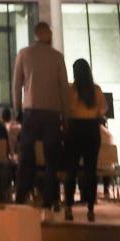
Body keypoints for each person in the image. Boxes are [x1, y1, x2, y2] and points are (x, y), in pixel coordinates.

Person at [12, 19, 70, 213]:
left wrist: (16, 110)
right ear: (49, 35)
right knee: (51, 158)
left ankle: (21, 195)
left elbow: (16, 85)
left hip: (31, 110)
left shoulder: (24, 53)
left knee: (26, 156)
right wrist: (66, 116)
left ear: (35, 35)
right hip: (52, 113)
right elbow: (64, 89)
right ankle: (49, 199)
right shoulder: (57, 57)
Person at [62, 58, 107, 222]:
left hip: (74, 129)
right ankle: (90, 209)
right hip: (91, 130)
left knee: (71, 170)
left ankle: (68, 207)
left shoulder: (69, 90)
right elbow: (102, 110)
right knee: (90, 171)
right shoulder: (96, 90)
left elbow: (64, 110)